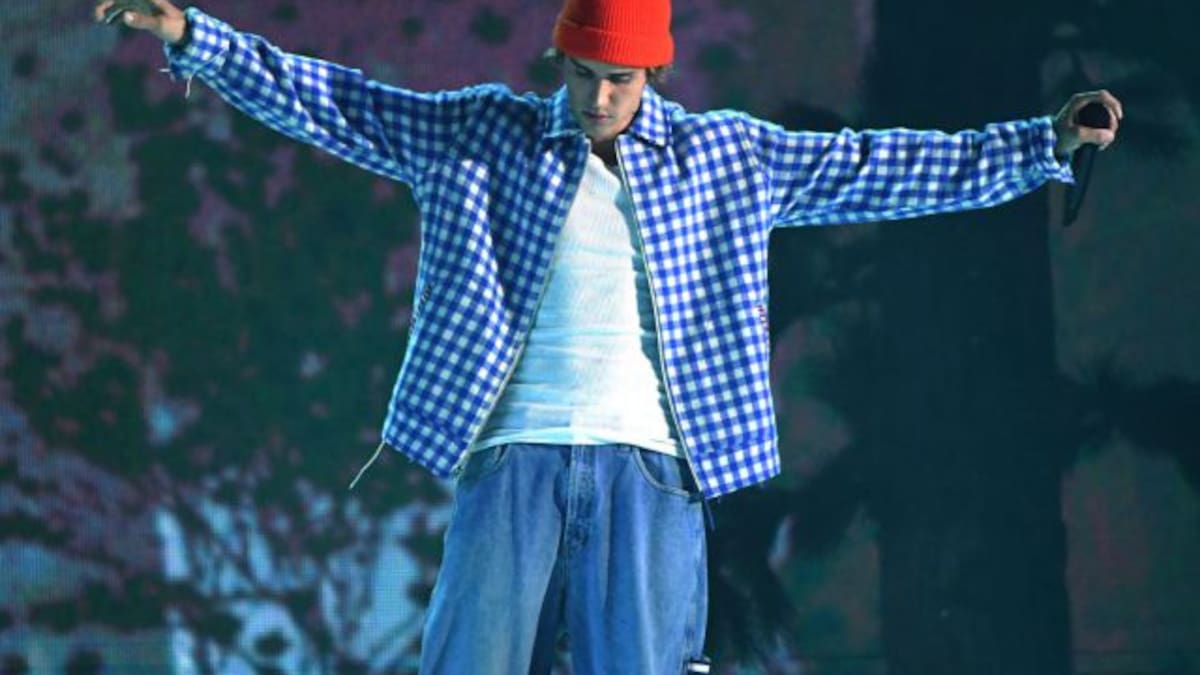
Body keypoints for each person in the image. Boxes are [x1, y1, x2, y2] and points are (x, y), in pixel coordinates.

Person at [93, 0, 1122, 672]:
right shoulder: (483, 136)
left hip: (652, 468)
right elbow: (335, 101)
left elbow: (879, 168)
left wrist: (1042, 143)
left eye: (618, 80)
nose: (596, 98)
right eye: (583, 74)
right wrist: (196, 36)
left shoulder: (725, 159)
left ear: (653, 73)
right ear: (562, 60)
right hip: (515, 458)